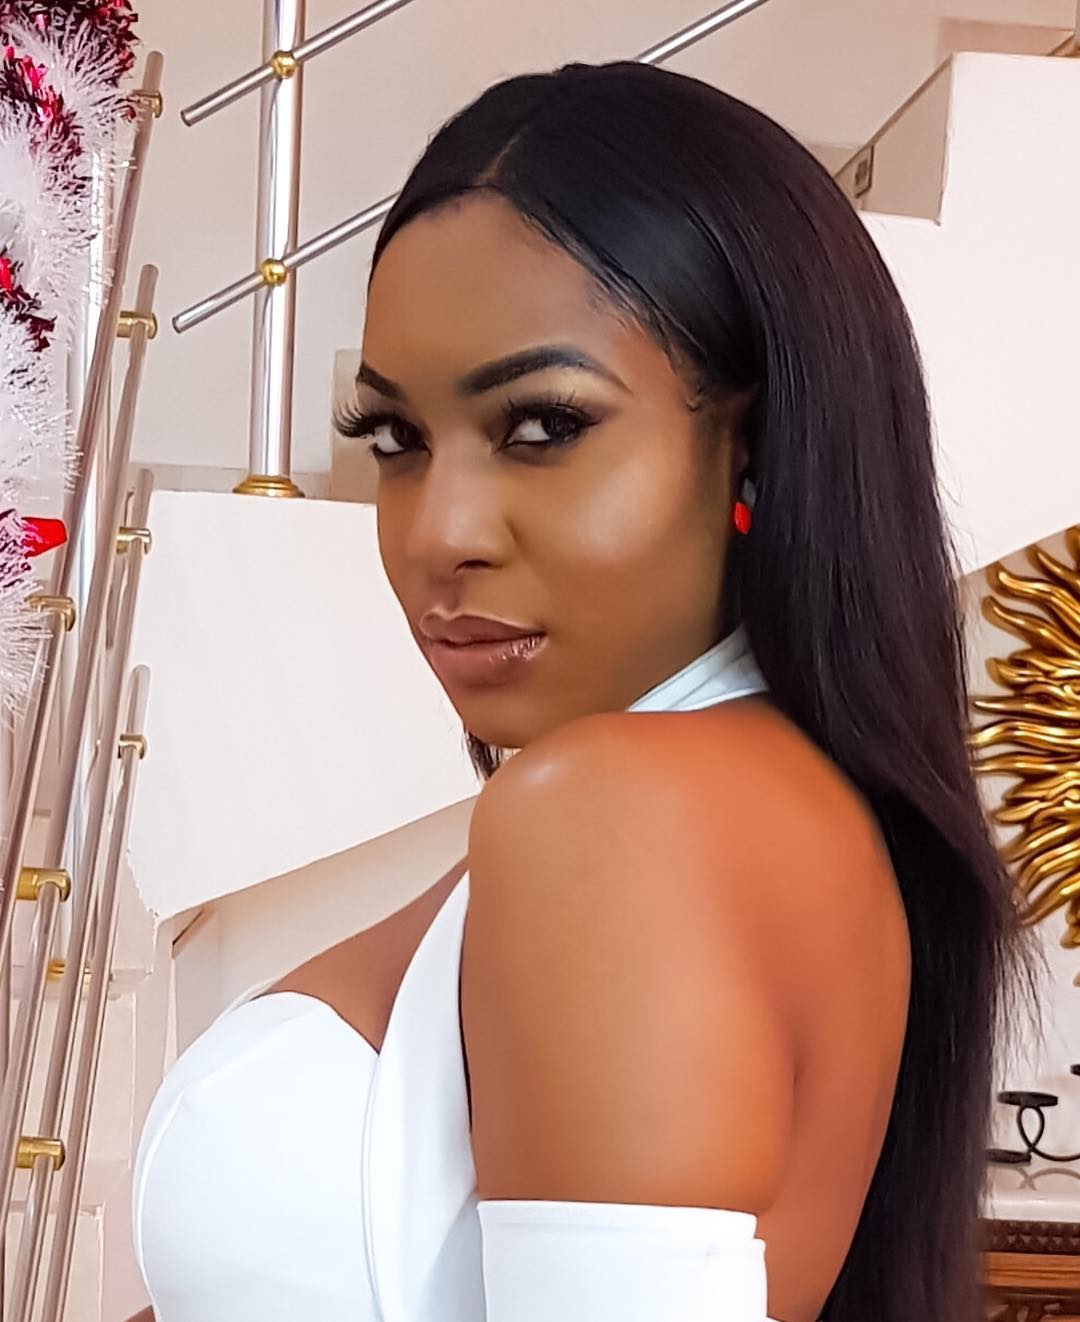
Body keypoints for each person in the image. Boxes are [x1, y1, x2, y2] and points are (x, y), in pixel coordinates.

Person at [125, 59, 1025, 1322]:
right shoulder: (766, 803)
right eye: (396, 438)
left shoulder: (616, 813)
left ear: (754, 446)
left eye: (543, 427)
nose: (438, 532)